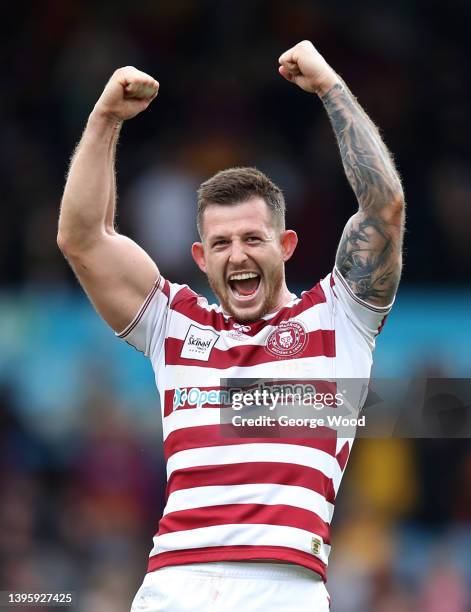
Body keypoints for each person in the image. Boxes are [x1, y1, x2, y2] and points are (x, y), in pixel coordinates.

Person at [57, 40, 404, 612]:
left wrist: (328, 87)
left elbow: (383, 207)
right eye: (220, 243)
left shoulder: (340, 316)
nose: (236, 254)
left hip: (284, 586)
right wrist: (105, 119)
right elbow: (82, 239)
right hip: (174, 583)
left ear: (286, 246)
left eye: (252, 238)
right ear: (200, 256)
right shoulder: (174, 323)